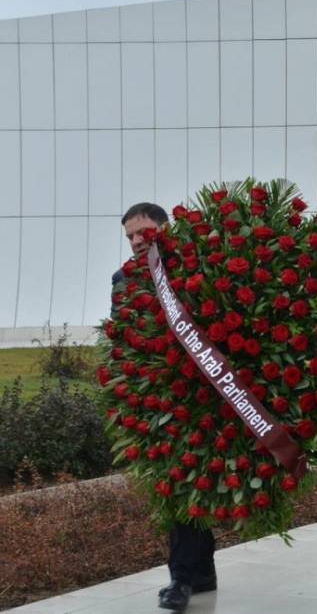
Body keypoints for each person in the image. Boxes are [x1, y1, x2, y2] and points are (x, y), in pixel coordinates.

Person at [111, 204, 215, 614]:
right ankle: (191, 574)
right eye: (130, 236)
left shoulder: (192, 267)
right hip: (158, 399)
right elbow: (121, 334)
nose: (137, 241)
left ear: (166, 230)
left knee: (194, 483)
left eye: (144, 232)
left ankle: (190, 575)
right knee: (179, 484)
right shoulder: (123, 280)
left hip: (203, 393)